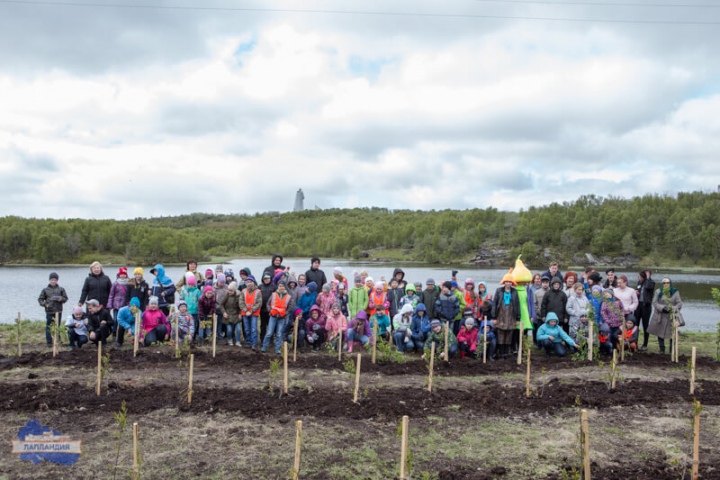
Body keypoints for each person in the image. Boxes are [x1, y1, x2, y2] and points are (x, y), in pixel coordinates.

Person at [648, 277, 683, 354]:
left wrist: (672, 308)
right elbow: (654, 302)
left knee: (672, 333)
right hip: (660, 315)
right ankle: (662, 349)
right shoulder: (658, 291)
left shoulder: (675, 292)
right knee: (659, 332)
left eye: (667, 283)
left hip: (671, 316)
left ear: (670, 283)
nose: (666, 284)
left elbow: (679, 303)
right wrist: (663, 308)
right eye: (664, 283)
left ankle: (671, 350)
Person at [491, 274, 520, 358]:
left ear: (512, 283)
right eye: (507, 281)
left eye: (510, 282)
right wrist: (494, 317)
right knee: (500, 333)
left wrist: (518, 318)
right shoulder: (499, 291)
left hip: (511, 316)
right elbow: (494, 304)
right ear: (504, 282)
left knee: (509, 334)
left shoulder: (515, 292)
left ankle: (506, 353)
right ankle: (500, 352)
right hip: (501, 316)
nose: (508, 283)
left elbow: (517, 305)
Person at [38, 272, 68, 347]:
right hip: (49, 311)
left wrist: (61, 299)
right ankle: (49, 342)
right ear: (49, 280)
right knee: (49, 326)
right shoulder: (45, 290)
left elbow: (65, 298)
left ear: (57, 280)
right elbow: (40, 299)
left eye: (55, 280)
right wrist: (45, 304)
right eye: (52, 280)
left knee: (57, 326)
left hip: (58, 310)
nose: (53, 281)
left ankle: (58, 340)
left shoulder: (61, 289)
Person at [263, 280, 292, 354]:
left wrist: (286, 313)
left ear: (285, 287)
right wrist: (270, 311)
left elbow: (290, 307)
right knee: (269, 333)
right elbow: (268, 304)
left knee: (279, 334)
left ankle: (277, 349)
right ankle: (264, 346)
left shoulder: (288, 296)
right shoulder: (273, 294)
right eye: (280, 286)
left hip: (282, 318)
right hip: (273, 316)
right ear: (278, 287)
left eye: (282, 286)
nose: (281, 287)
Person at [239, 276, 262, 349]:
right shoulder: (243, 291)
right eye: (248, 282)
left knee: (254, 328)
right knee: (246, 329)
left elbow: (259, 303)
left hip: (254, 313)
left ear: (254, 282)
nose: (249, 283)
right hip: (245, 313)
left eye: (251, 282)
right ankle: (248, 342)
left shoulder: (258, 291)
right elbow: (241, 302)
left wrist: (251, 310)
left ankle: (254, 343)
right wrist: (246, 310)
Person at [635, 270, 656, 351]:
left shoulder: (651, 282)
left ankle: (645, 344)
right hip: (638, 305)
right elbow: (638, 290)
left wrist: (648, 277)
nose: (638, 277)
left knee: (645, 325)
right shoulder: (639, 283)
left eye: (639, 276)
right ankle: (635, 342)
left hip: (646, 306)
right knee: (636, 324)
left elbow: (648, 287)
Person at [107, 267, 129, 337]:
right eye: (121, 274)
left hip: (125, 305)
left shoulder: (128, 283)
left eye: (124, 274)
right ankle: (114, 333)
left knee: (123, 320)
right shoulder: (115, 284)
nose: (123, 275)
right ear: (119, 274)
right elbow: (111, 295)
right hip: (116, 305)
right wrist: (110, 305)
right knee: (116, 320)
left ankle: (122, 334)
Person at [221, 281, 242, 346]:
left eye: (231, 291)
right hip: (228, 315)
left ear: (234, 290)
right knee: (229, 330)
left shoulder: (238, 296)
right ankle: (230, 340)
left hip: (236, 315)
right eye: (229, 290)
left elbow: (241, 306)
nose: (230, 292)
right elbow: (221, 305)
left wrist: (240, 314)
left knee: (238, 329)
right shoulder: (226, 295)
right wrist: (224, 312)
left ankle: (238, 341)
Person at [259, 272, 278, 340]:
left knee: (270, 325)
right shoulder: (260, 286)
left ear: (270, 279)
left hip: (271, 310)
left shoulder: (274, 287)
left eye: (268, 278)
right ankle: (262, 339)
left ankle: (270, 340)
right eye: (265, 278)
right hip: (262, 309)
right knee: (263, 325)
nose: (266, 280)